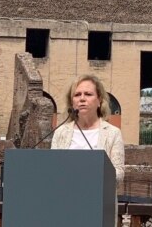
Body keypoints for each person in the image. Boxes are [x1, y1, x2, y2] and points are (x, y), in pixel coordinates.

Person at [51, 74, 125, 226]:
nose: (82, 99)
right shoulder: (61, 132)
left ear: (99, 101)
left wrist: (94, 172)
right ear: (72, 101)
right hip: (65, 205)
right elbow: (53, 170)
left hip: (98, 207)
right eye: (77, 95)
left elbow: (119, 174)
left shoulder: (112, 133)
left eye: (88, 94)